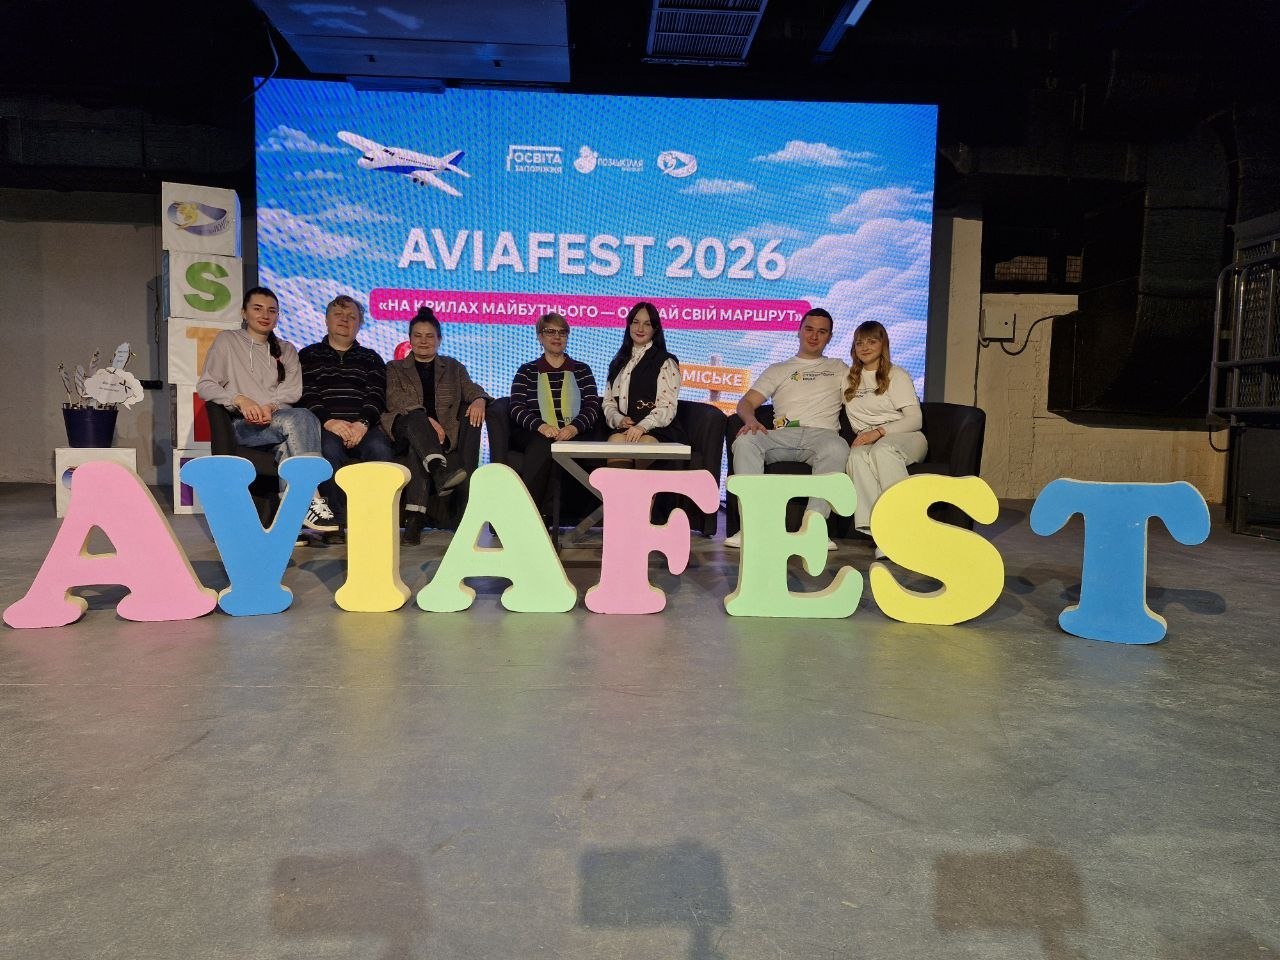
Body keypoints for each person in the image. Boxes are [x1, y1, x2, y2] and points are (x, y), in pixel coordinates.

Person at [197, 286, 338, 534]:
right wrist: (240, 400)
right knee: (301, 418)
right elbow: (206, 385)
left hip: (276, 421)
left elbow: (292, 391)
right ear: (244, 312)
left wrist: (270, 407)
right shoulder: (227, 341)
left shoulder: (286, 349)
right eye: (258, 308)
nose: (265, 315)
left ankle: (288, 523)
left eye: (272, 310)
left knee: (290, 440)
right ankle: (310, 498)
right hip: (243, 426)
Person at [726, 308, 849, 550]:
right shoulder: (778, 369)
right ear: (799, 331)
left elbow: (861, 399)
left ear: (830, 337)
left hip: (822, 436)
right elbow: (746, 402)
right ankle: (753, 527)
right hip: (782, 435)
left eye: (821, 332)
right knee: (745, 442)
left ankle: (814, 529)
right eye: (809, 329)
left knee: (837, 448)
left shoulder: (839, 367)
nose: (814, 336)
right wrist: (750, 420)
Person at [382, 307, 490, 545]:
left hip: (435, 441)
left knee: (418, 449)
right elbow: (396, 400)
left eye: (429, 336)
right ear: (410, 339)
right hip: (403, 430)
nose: (423, 341)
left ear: (439, 339)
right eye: (418, 335)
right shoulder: (394, 368)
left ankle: (414, 521)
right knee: (416, 423)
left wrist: (480, 399)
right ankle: (441, 473)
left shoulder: (453, 367)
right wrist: (427, 421)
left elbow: (470, 388)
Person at [298, 295, 394, 542]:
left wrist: (362, 424)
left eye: (352, 317)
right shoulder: (308, 355)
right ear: (326, 319)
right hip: (326, 425)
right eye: (338, 315)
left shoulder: (371, 357)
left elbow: (376, 395)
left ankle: (374, 522)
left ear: (359, 324)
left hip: (364, 426)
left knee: (381, 450)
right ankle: (336, 523)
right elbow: (307, 393)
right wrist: (329, 422)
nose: (345, 320)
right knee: (328, 450)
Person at [842, 320, 927, 556]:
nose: (865, 347)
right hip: (868, 440)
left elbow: (915, 420)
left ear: (883, 344)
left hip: (905, 436)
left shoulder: (896, 375)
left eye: (872, 341)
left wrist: (878, 432)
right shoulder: (848, 378)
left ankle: (904, 526)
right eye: (859, 343)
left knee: (883, 451)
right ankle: (882, 532)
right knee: (856, 457)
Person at [508, 312, 603, 515]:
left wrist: (573, 428)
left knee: (560, 445)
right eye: (550, 331)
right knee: (544, 444)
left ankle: (544, 516)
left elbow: (592, 407)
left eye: (562, 332)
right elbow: (516, 408)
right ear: (540, 337)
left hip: (575, 431)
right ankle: (528, 513)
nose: (557, 336)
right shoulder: (527, 371)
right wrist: (542, 426)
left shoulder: (582, 370)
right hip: (535, 432)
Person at [601, 301, 685, 468]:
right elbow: (609, 403)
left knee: (644, 446)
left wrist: (642, 427)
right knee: (615, 441)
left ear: (655, 329)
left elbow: (668, 406)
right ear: (629, 325)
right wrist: (618, 419)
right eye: (636, 322)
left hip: (658, 429)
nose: (640, 328)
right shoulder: (618, 363)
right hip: (626, 429)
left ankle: (641, 487)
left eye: (647, 324)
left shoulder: (666, 361)